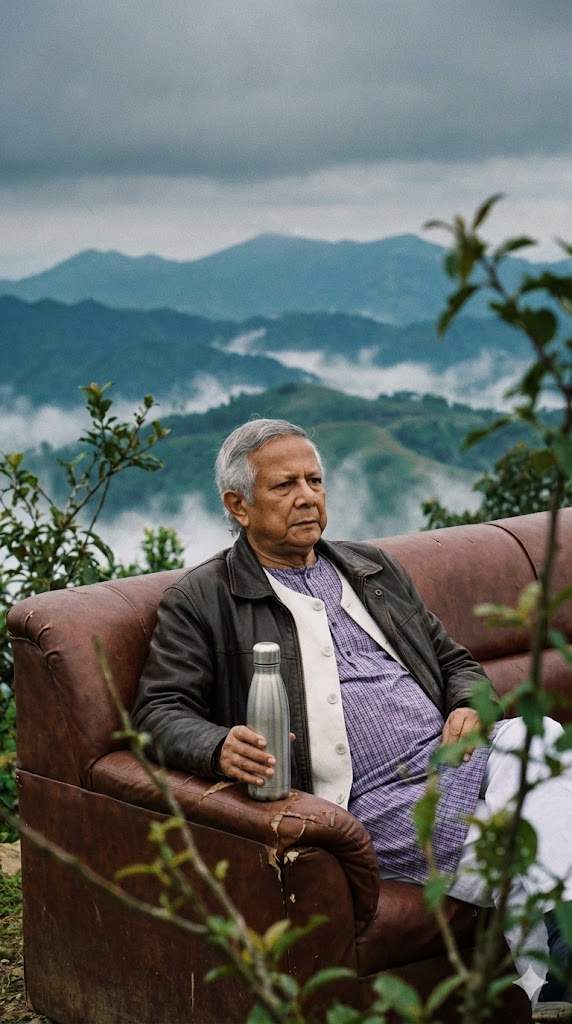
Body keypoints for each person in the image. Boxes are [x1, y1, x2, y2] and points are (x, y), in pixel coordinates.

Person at [133, 418, 571, 1012]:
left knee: (540, 735)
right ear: (238, 505)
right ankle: (554, 980)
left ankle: (551, 990)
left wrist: (469, 702)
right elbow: (159, 710)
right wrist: (215, 746)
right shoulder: (203, 600)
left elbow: (454, 661)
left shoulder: (372, 569)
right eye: (285, 485)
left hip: (465, 762)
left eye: (315, 479)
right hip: (374, 801)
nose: (308, 496)